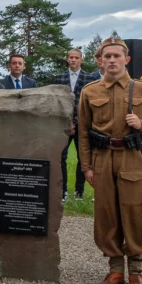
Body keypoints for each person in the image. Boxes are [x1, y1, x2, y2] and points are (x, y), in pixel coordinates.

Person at [77, 36, 142, 284]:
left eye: (117, 56)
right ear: (100, 61)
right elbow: (83, 132)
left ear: (127, 59)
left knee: (134, 213)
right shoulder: (89, 91)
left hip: (132, 158)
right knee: (106, 215)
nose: (112, 60)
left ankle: (135, 272)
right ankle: (115, 269)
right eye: (107, 56)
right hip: (102, 158)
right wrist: (86, 167)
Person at [54, 48, 102, 203]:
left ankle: (79, 192)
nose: (73, 60)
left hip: (83, 125)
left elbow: (89, 104)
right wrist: (68, 122)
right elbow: (57, 103)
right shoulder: (59, 78)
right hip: (63, 125)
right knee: (60, 157)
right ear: (67, 60)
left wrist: (77, 122)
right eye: (70, 57)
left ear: (81, 60)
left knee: (83, 158)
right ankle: (62, 192)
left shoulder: (89, 78)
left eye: (76, 57)